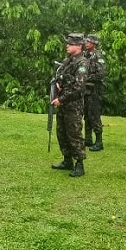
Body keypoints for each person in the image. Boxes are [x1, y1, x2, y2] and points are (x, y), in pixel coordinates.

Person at [50, 33, 89, 177]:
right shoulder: (68, 61)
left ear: (78, 46)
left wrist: (62, 99)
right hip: (63, 103)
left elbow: (78, 87)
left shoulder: (82, 63)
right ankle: (67, 160)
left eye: (70, 44)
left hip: (73, 105)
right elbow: (62, 77)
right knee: (62, 133)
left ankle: (79, 164)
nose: (67, 45)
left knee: (74, 134)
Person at [83, 34, 107, 151]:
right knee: (87, 114)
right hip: (86, 90)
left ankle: (99, 141)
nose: (86, 43)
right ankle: (88, 138)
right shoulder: (84, 55)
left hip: (95, 90)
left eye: (88, 42)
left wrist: (86, 78)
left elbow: (101, 74)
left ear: (93, 44)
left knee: (94, 115)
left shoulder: (98, 56)